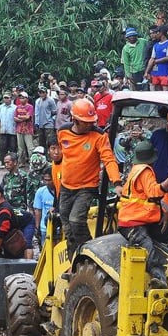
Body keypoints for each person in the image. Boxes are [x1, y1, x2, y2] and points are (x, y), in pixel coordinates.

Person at [57, 99, 123, 255]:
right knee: (67, 225)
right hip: (66, 186)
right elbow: (61, 156)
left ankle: (91, 251)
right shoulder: (62, 131)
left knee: (76, 220)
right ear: (75, 120)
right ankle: (74, 259)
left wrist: (117, 182)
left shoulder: (99, 136)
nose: (90, 125)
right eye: (86, 122)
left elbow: (108, 159)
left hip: (86, 187)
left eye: (92, 122)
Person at [119, 141, 168, 289]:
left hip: (145, 220)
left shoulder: (136, 169)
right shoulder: (144, 171)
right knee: (146, 247)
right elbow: (154, 193)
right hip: (132, 223)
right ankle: (159, 278)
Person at [32, 169, 57, 250]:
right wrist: (37, 227)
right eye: (45, 180)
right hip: (45, 227)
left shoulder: (62, 191)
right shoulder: (40, 192)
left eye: (50, 180)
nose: (47, 182)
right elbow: (38, 210)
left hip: (59, 227)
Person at [145, 25, 168, 91]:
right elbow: (152, 58)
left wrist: (155, 61)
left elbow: (167, 58)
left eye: (157, 33)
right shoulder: (156, 45)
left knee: (165, 91)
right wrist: (146, 72)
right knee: (157, 92)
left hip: (165, 72)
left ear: (161, 33)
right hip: (155, 73)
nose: (155, 35)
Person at [0, 93, 17, 165]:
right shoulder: (0, 107)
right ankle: (2, 162)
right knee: (2, 147)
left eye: (7, 98)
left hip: (12, 131)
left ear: (11, 98)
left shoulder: (15, 108)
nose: (6, 99)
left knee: (13, 147)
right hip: (3, 131)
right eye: (5, 98)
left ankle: (13, 162)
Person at [14, 92, 36, 157]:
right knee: (20, 148)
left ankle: (32, 162)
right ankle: (21, 162)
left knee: (30, 147)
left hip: (28, 130)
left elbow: (28, 117)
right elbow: (14, 118)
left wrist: (19, 117)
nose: (21, 99)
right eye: (20, 98)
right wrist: (23, 118)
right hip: (19, 129)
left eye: (22, 98)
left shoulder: (30, 107)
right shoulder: (17, 107)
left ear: (26, 98)